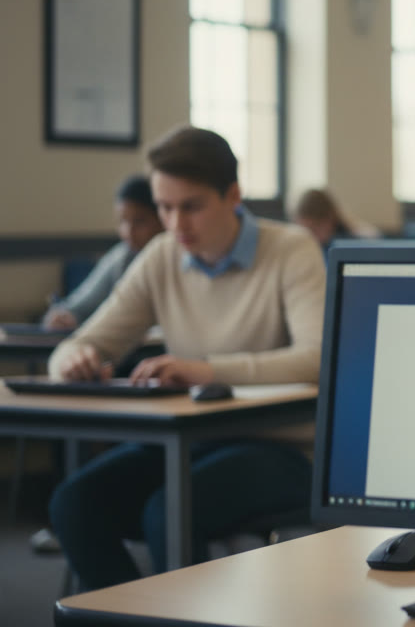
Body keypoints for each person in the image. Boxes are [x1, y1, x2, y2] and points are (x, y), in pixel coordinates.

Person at [47, 126, 327, 589]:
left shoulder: (291, 249)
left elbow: (317, 359)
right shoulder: (161, 256)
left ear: (233, 196)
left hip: (284, 448)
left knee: (167, 512)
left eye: (191, 206)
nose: (176, 224)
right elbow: (81, 343)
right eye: (165, 207)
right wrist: (74, 359)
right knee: (72, 504)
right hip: (188, 441)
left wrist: (207, 371)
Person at [42, 175, 164, 330]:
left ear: (162, 219)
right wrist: (64, 316)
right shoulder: (122, 256)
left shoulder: (174, 259)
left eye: (139, 221)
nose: (128, 232)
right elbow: (79, 306)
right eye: (122, 221)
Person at [291, 188, 378, 250]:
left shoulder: (350, 241)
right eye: (303, 230)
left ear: (329, 220)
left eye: (314, 229)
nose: (309, 236)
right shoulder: (300, 246)